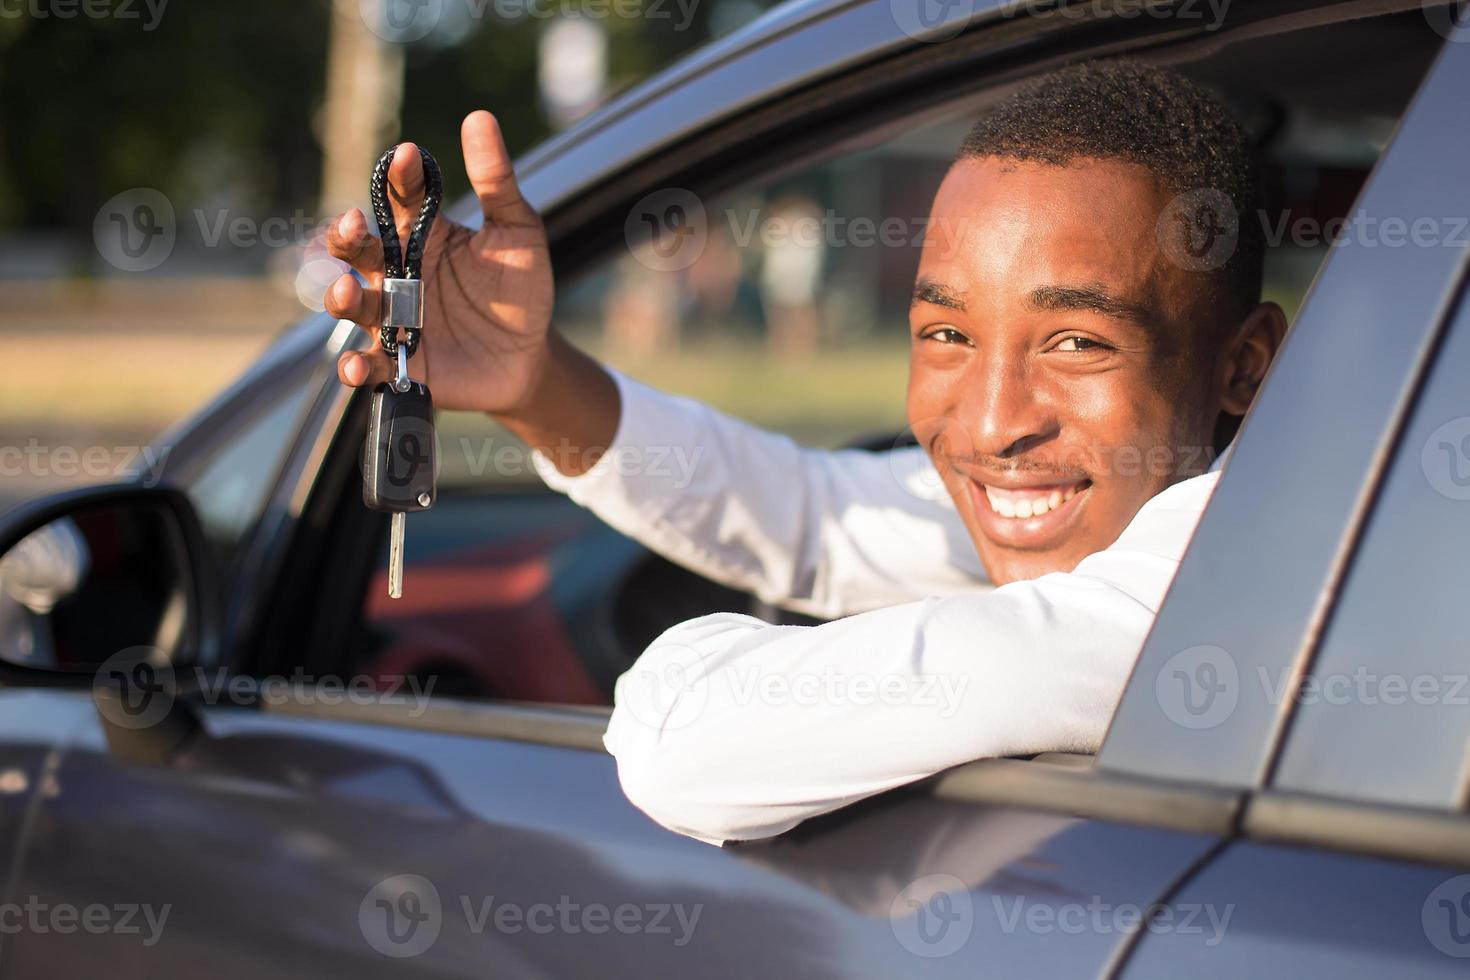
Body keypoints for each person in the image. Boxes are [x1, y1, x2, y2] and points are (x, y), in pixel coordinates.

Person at [324, 61, 1287, 845]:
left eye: (1078, 343)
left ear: (1243, 368)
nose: (995, 425)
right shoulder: (1150, 501)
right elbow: (822, 519)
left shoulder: (1236, 589)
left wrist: (665, 673)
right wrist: (535, 385)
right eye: (948, 336)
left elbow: (681, 742)